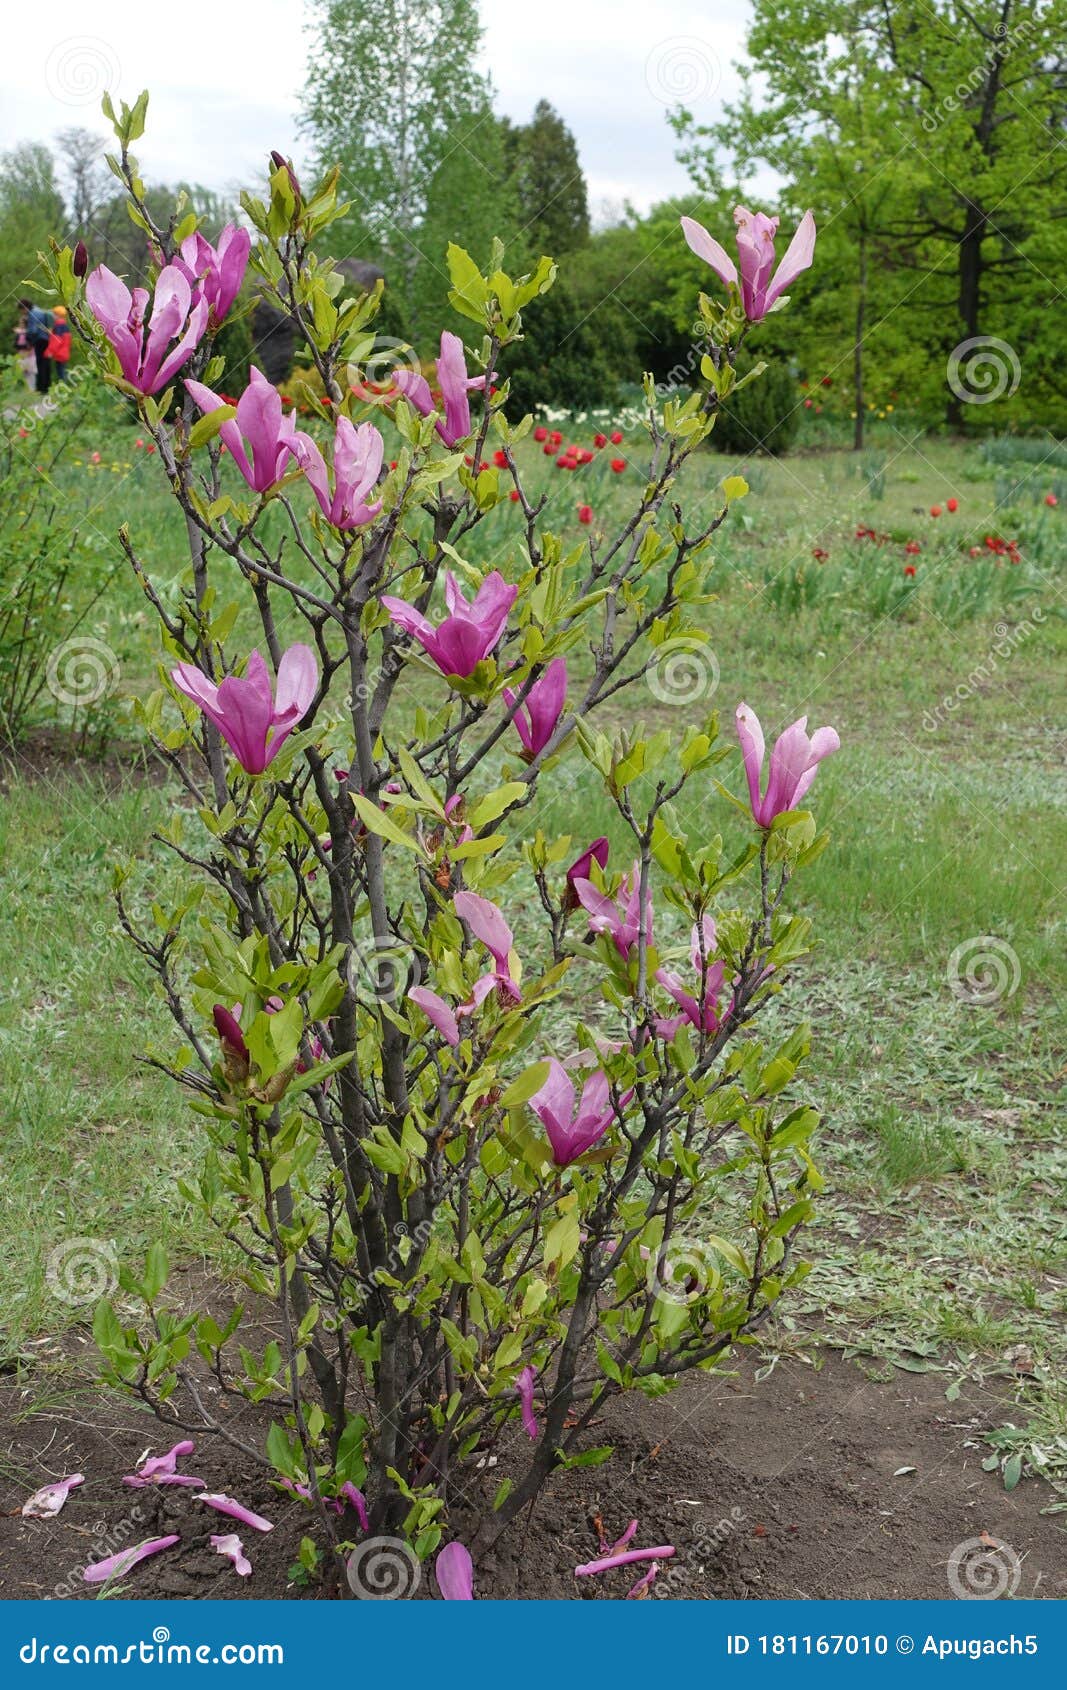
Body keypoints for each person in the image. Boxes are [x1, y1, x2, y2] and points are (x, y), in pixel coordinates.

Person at [22, 297, 54, 394]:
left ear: (24, 308)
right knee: (46, 364)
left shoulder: (32, 313)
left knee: (41, 364)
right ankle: (47, 386)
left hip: (39, 340)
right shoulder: (39, 310)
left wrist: (27, 337)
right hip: (46, 339)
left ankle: (41, 388)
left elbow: (33, 330)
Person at [46, 305, 72, 382]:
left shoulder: (59, 326)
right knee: (62, 371)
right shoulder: (64, 325)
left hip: (60, 353)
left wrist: (50, 352)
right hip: (64, 352)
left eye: (54, 314)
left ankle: (63, 388)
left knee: (60, 372)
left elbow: (56, 340)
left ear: (58, 315)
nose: (53, 316)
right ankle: (64, 386)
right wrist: (51, 333)